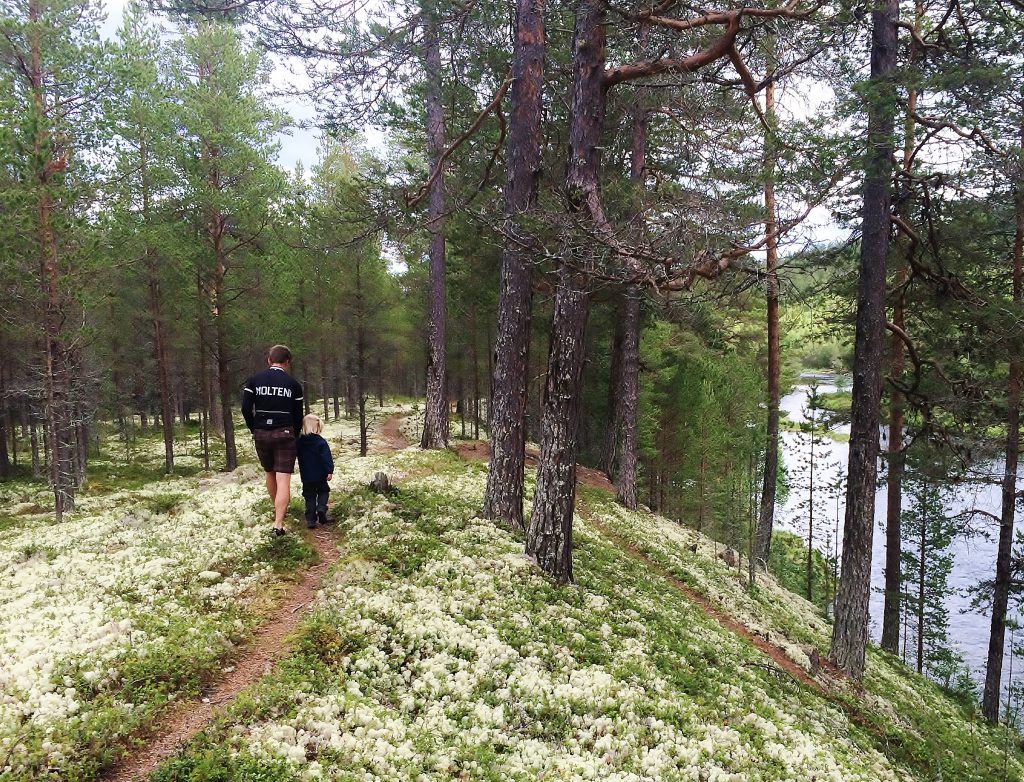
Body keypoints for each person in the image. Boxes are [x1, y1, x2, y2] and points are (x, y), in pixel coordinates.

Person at [242, 345, 304, 536]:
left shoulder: (254, 381)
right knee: (283, 478)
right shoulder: (293, 385)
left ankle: (277, 510)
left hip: (261, 433)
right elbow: (297, 415)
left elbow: (245, 408)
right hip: (285, 433)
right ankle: (278, 523)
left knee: (269, 473)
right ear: (287, 362)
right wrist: (294, 433)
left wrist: (254, 428)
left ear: (269, 360)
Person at [297, 413, 334, 529]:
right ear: (317, 427)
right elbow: (326, 457)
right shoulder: (320, 442)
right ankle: (321, 508)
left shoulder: (299, 442)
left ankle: (311, 520)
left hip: (307, 475)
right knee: (323, 491)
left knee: (309, 496)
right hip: (320, 474)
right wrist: (329, 470)